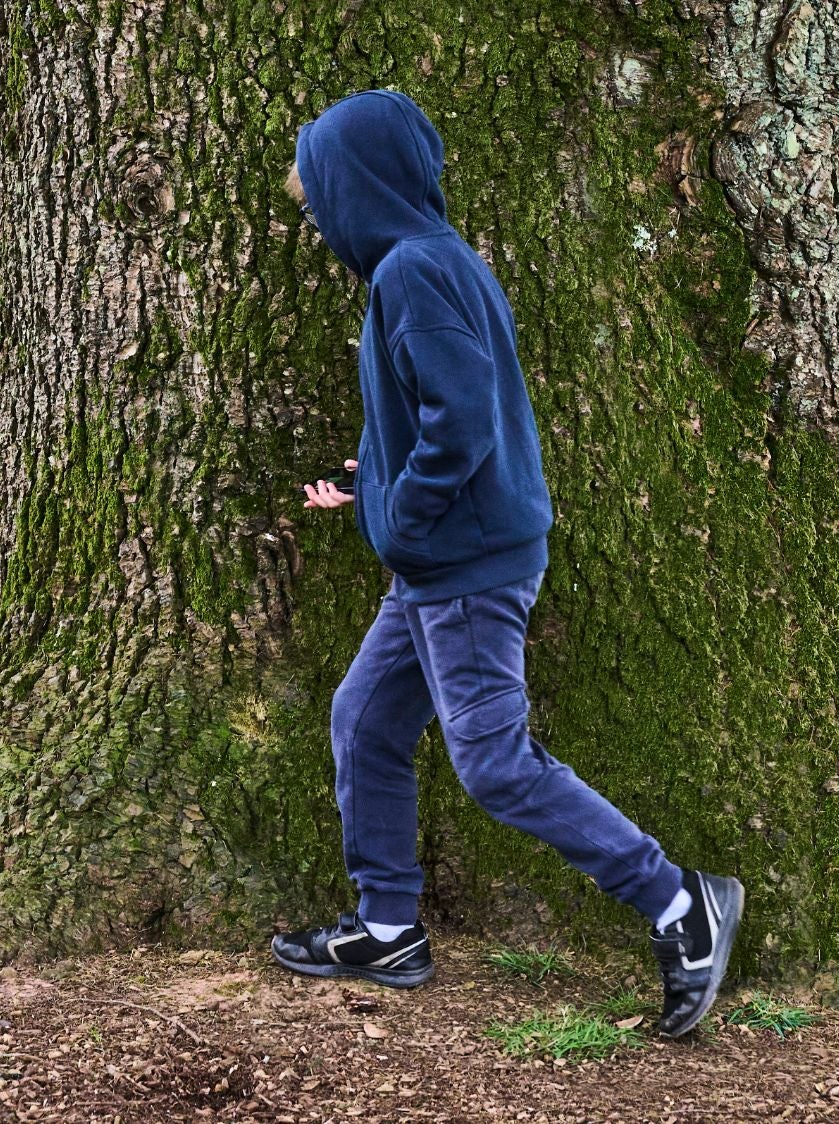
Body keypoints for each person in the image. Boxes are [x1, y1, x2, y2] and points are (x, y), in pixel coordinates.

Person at [270, 89, 743, 1037]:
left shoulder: (413, 272)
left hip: (467, 563)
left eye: (320, 196)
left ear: (360, 187)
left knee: (492, 764)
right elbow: (436, 406)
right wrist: (383, 474)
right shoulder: (432, 265)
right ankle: (387, 926)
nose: (317, 218)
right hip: (443, 557)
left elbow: (465, 419)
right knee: (363, 720)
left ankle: (682, 903)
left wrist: (400, 514)